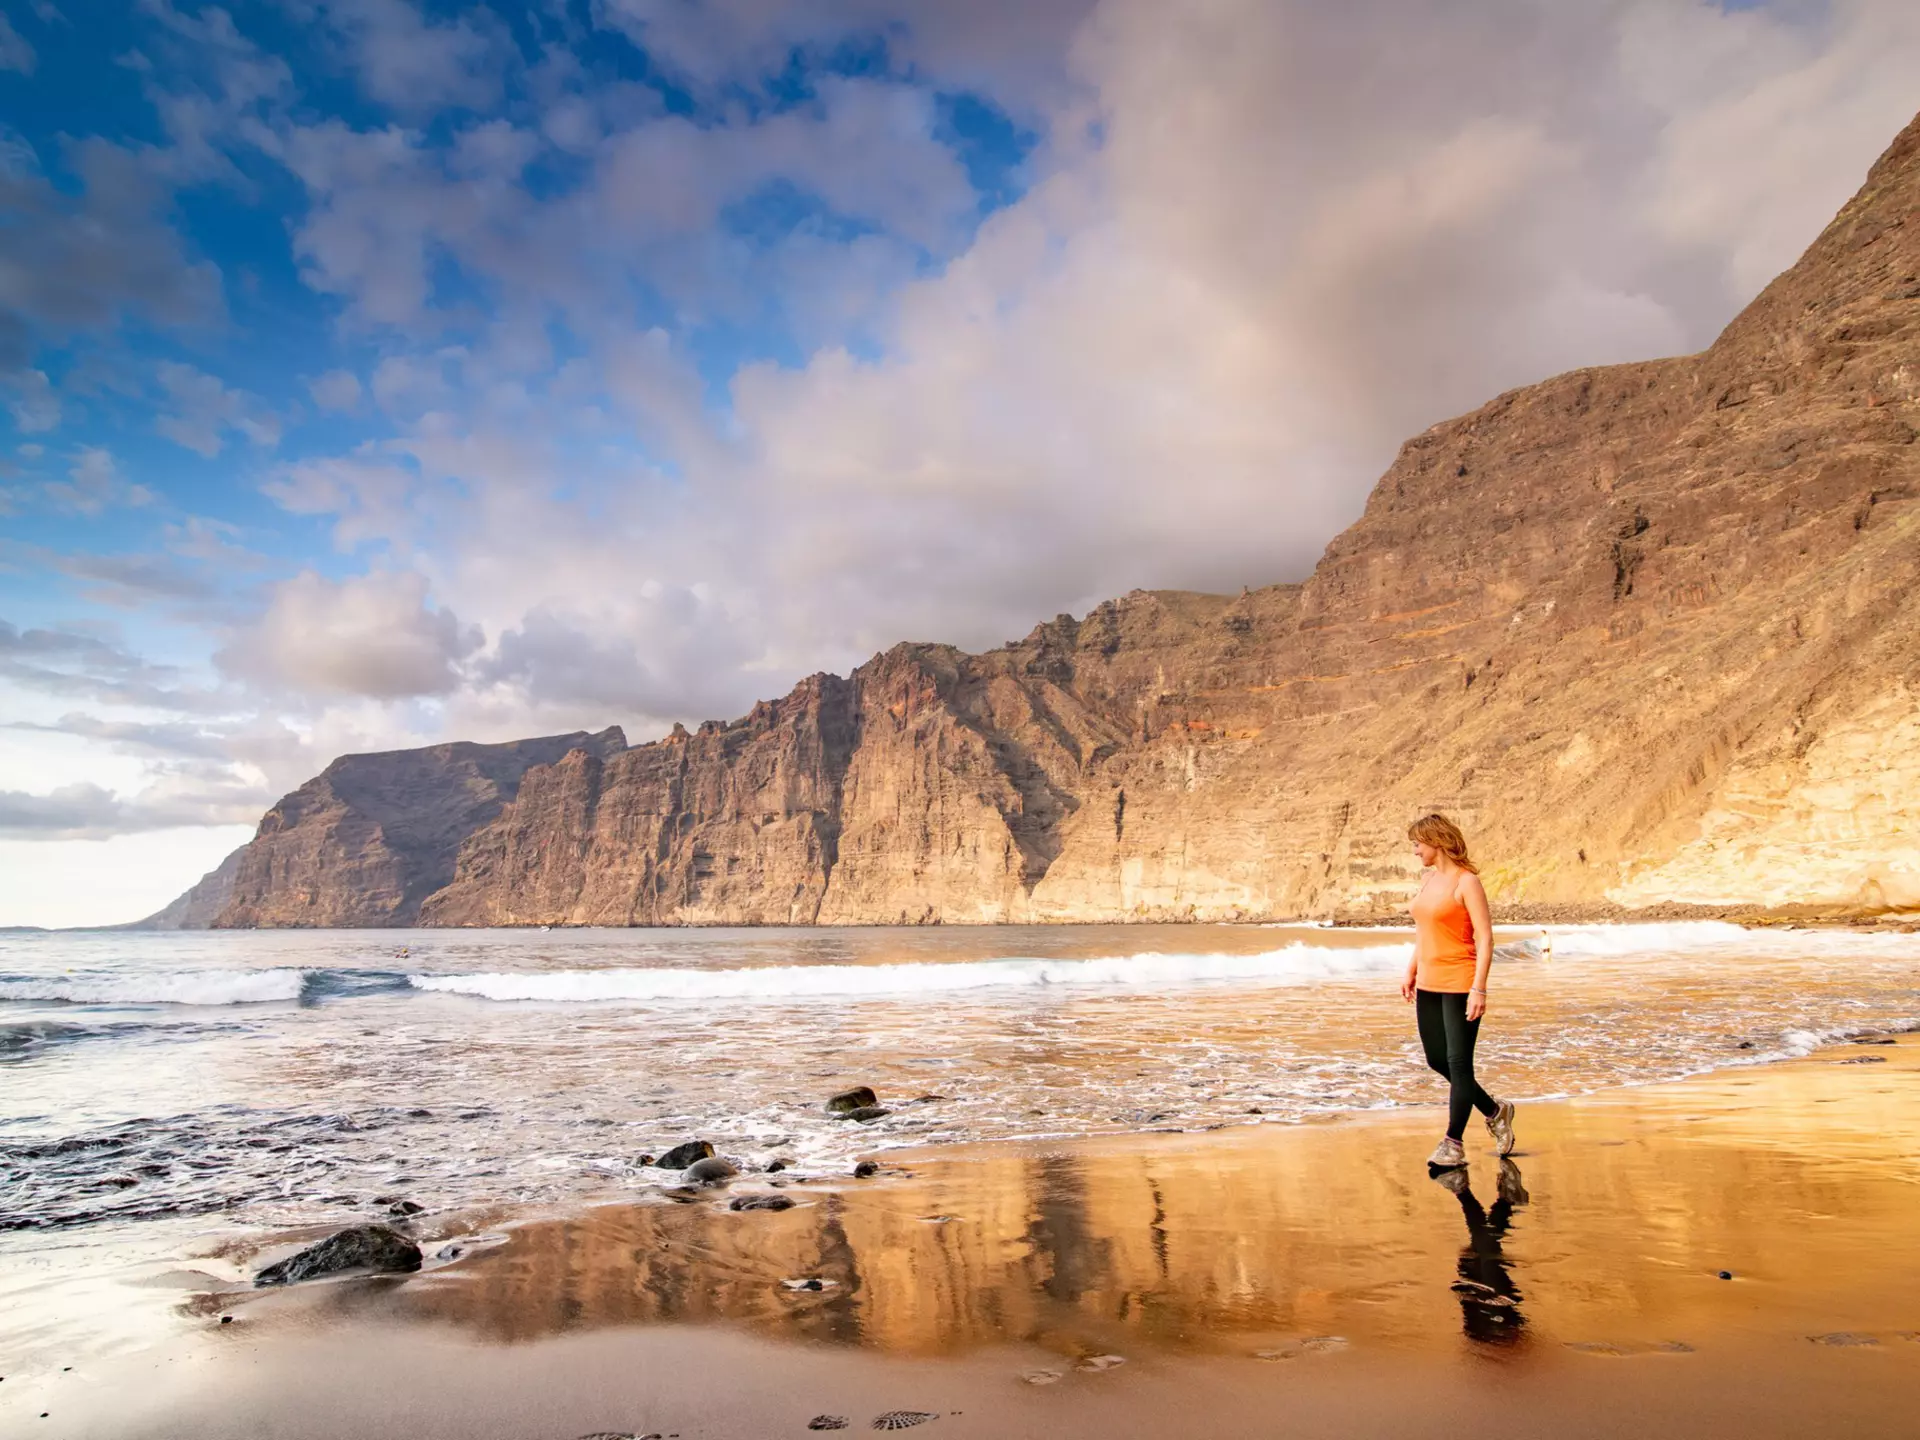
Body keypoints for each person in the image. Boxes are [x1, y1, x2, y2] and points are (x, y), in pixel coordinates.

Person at [1399, 814, 1515, 1168]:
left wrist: (1479, 988)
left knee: (1459, 1064)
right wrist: (1412, 969)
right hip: (1429, 981)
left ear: (1437, 841)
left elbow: (1485, 937)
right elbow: (1425, 930)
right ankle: (1496, 1111)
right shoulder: (1428, 880)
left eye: (1419, 843)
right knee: (1437, 1059)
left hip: (1461, 981)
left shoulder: (1467, 882)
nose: (1416, 850)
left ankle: (1453, 1143)